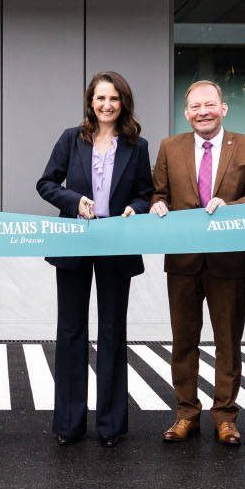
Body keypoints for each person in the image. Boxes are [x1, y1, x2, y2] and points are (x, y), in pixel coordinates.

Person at [37, 72, 154, 447]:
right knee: (71, 331)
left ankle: (111, 425)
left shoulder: (137, 145)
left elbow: (145, 192)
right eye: (101, 98)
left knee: (112, 330)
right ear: (90, 102)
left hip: (116, 243)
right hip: (75, 240)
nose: (107, 105)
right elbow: (46, 183)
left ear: (123, 103)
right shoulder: (71, 138)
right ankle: (69, 423)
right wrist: (75, 201)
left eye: (114, 98)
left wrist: (136, 208)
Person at [149, 80, 245, 445]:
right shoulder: (169, 147)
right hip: (182, 260)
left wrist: (232, 207)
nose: (203, 112)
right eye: (196, 107)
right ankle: (186, 413)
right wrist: (158, 204)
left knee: (228, 341)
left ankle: (225, 416)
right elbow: (158, 193)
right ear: (186, 113)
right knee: (184, 340)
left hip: (228, 261)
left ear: (223, 108)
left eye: (210, 105)